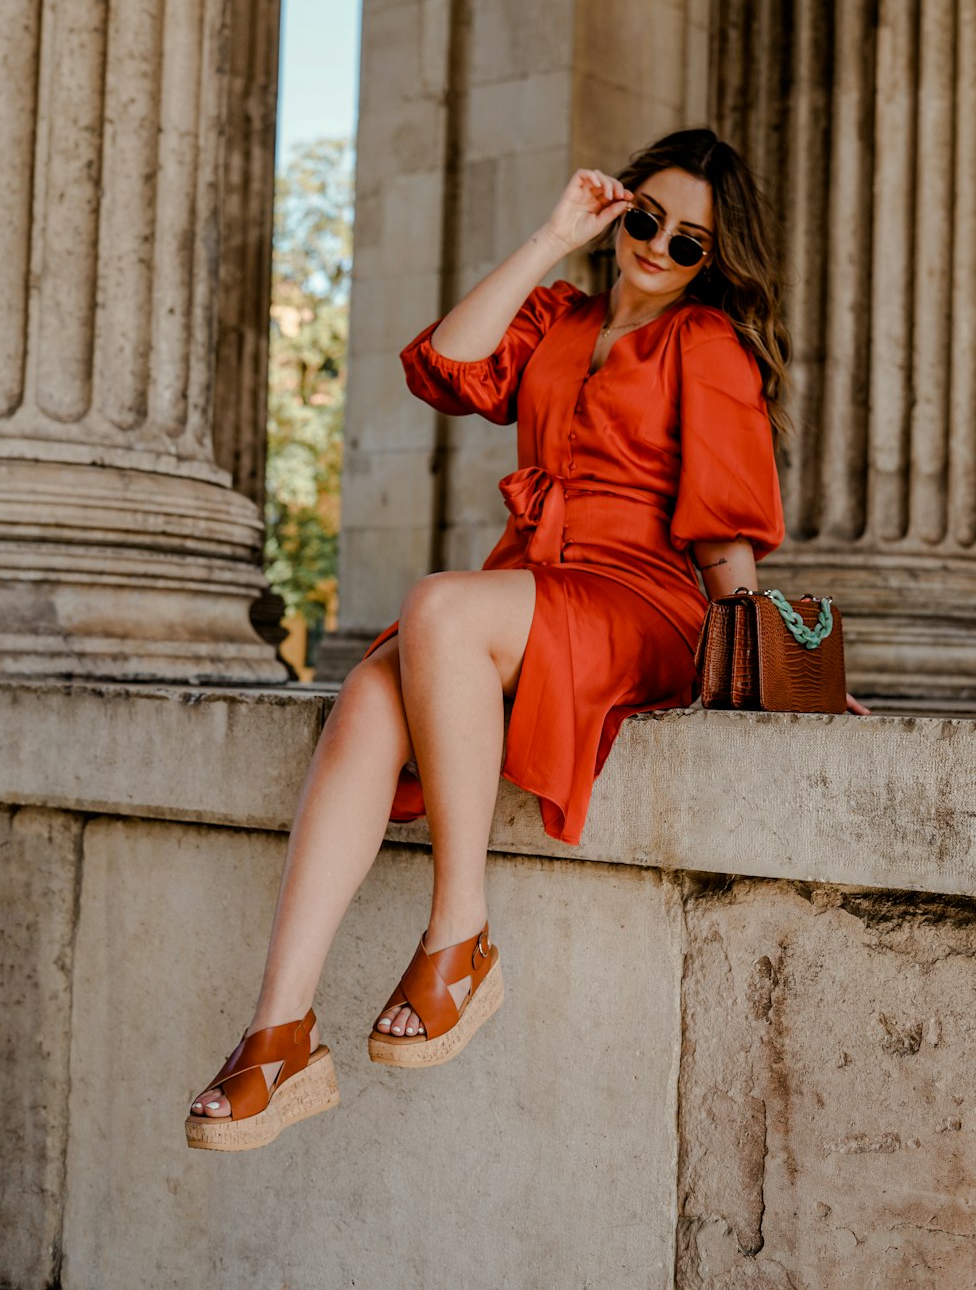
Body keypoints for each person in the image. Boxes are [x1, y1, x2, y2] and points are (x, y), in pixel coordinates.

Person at [185, 127, 868, 1152]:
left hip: (640, 603)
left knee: (441, 608)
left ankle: (458, 934)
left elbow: (724, 536)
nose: (658, 246)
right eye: (646, 218)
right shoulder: (560, 316)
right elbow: (443, 365)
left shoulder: (706, 345)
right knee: (371, 693)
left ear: (714, 263)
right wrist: (553, 234)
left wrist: (777, 670)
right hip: (533, 588)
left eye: (689, 242)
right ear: (618, 208)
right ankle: (277, 1032)